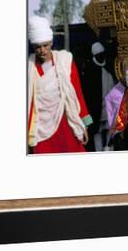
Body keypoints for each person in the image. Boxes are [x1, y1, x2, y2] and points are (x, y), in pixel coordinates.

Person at [27, 16, 93, 154]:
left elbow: (77, 93)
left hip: (66, 122)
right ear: (33, 46)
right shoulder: (28, 68)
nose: (42, 50)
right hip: (40, 129)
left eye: (45, 45)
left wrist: (83, 123)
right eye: (38, 47)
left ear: (51, 42)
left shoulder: (65, 61)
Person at [80, 42, 115, 151]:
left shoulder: (109, 66)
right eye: (99, 54)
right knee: (97, 136)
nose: (101, 56)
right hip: (97, 111)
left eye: (102, 54)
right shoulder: (90, 70)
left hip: (110, 109)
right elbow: (87, 94)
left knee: (111, 135)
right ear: (94, 56)